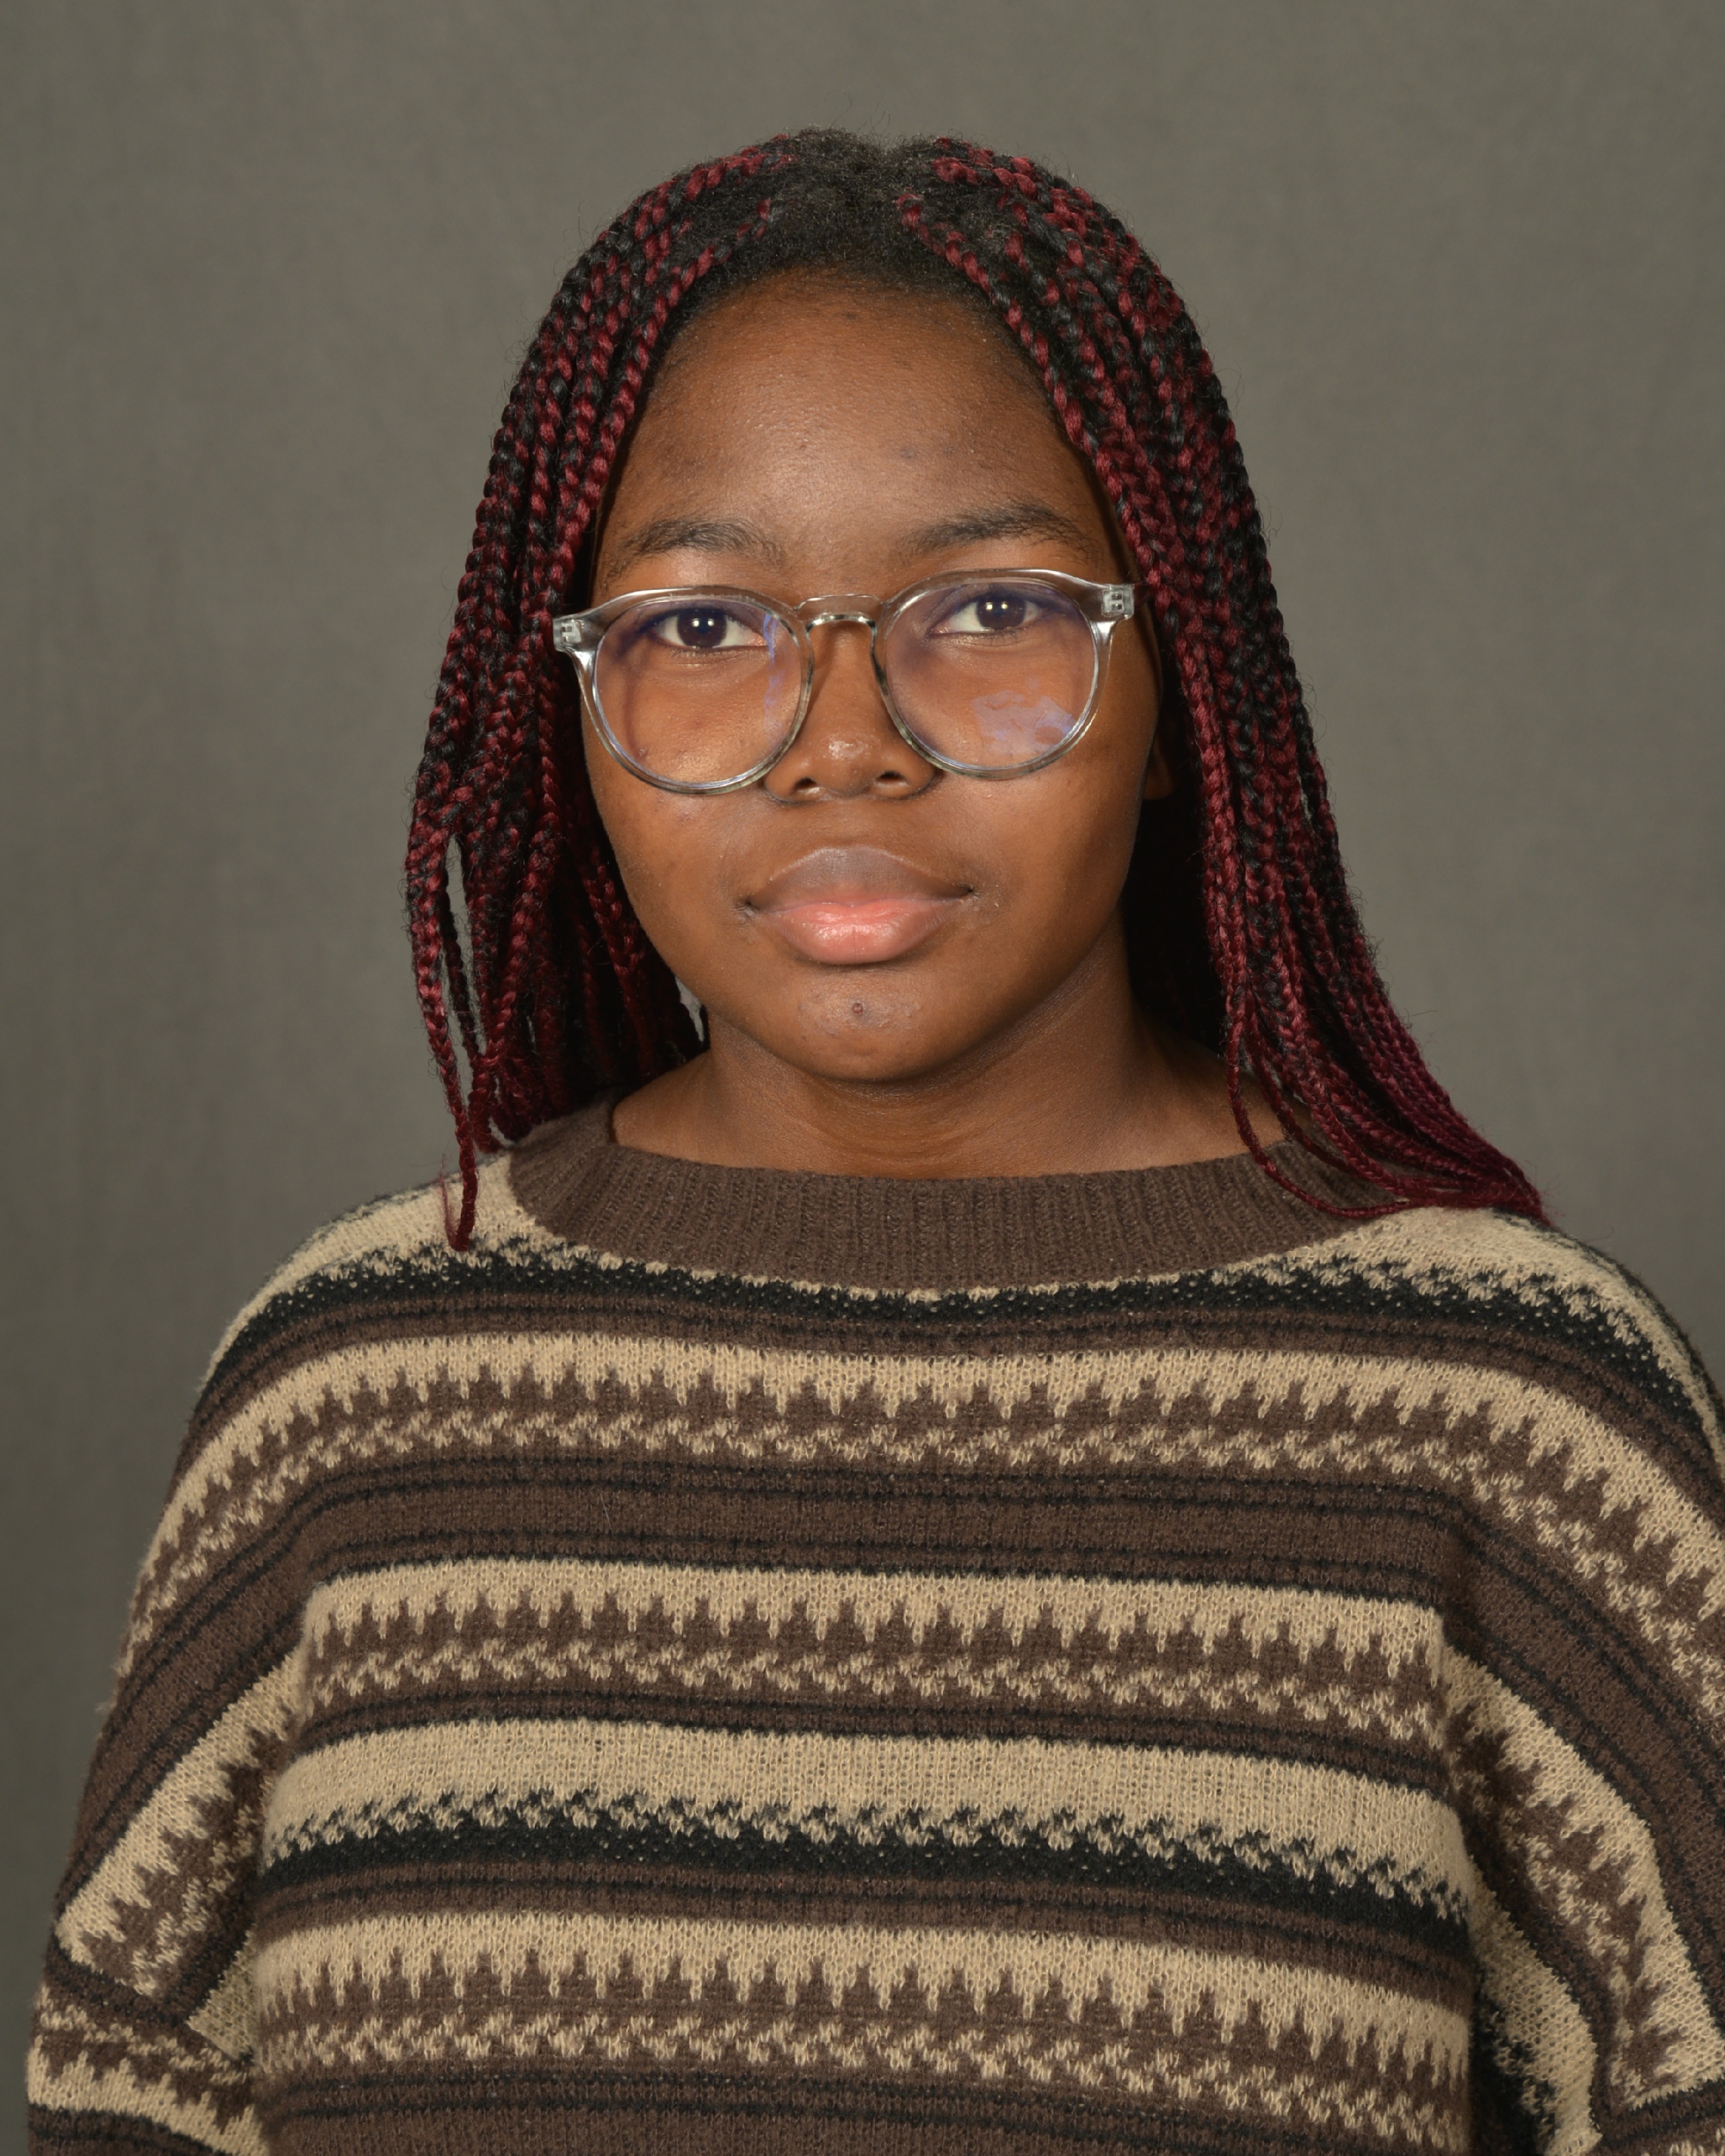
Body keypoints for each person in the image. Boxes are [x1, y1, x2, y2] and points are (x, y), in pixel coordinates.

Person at [27, 130, 1724, 2156]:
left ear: (1174, 677)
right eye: (699, 627)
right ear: (570, 702)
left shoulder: (1517, 1422)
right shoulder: (349, 1403)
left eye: (991, 607)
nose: (844, 740)